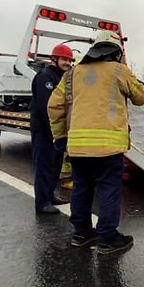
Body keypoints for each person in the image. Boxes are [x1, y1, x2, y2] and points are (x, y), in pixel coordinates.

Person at [48, 30, 144, 255]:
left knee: (82, 188)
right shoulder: (119, 71)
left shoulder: (72, 74)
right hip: (108, 147)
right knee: (109, 190)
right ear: (116, 52)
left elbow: (54, 106)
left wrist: (60, 136)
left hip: (78, 147)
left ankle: (82, 234)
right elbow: (142, 98)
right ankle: (108, 238)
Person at [30, 44, 73, 214]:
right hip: (44, 130)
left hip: (57, 131)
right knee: (43, 166)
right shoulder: (44, 78)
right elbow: (46, 107)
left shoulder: (62, 78)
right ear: (54, 59)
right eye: (64, 59)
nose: (67, 63)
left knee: (55, 165)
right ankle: (42, 202)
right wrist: (54, 130)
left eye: (69, 60)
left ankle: (50, 195)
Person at [59, 49, 84, 191]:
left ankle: (68, 178)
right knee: (68, 156)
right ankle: (66, 179)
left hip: (72, 123)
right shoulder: (72, 80)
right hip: (73, 123)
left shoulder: (71, 79)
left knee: (70, 154)